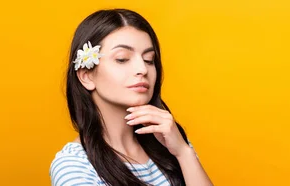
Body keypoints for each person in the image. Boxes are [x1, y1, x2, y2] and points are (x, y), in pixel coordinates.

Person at [49, 9, 213, 186]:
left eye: (149, 60)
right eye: (122, 59)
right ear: (87, 76)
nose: (142, 69)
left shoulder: (170, 140)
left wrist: (183, 152)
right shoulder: (74, 166)